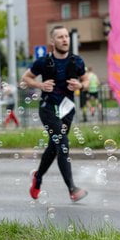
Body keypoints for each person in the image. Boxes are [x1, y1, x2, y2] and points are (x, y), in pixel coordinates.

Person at [21, 25, 89, 202]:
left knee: (55, 146)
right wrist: (40, 85)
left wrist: (81, 86)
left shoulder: (76, 61)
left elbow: (86, 79)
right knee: (63, 144)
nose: (65, 40)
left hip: (67, 110)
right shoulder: (43, 62)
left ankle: (38, 177)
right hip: (48, 108)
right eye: (60, 37)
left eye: (66, 36)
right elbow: (26, 78)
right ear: (52, 41)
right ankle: (72, 189)